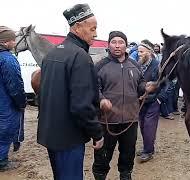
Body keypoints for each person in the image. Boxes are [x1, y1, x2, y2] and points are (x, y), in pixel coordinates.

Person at [37, 4, 104, 179]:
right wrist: (96, 132)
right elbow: (81, 105)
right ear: (77, 26)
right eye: (92, 29)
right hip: (69, 137)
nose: (95, 34)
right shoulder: (80, 57)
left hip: (51, 134)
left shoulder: (51, 54)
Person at [93, 32, 156, 180]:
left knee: (128, 156)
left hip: (130, 120)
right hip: (107, 121)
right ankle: (100, 176)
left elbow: (139, 84)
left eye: (120, 42)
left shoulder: (134, 65)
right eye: (113, 42)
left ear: (126, 45)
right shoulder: (101, 65)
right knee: (102, 157)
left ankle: (126, 176)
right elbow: (94, 88)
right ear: (108, 45)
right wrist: (101, 100)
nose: (117, 45)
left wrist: (146, 86)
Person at [0, 26, 27, 170]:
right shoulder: (8, 60)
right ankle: (1, 162)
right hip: (6, 105)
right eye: (13, 40)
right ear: (5, 42)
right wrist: (22, 103)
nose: (15, 42)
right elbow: (15, 86)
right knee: (5, 131)